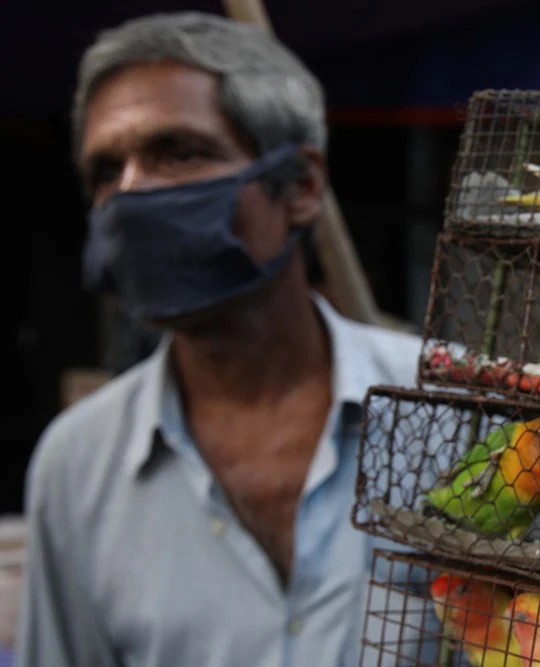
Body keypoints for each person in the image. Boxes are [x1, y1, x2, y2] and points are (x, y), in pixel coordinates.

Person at [18, 12, 432, 666]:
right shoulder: (77, 468)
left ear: (301, 187)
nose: (131, 194)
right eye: (106, 170)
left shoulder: (451, 409)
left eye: (178, 152)